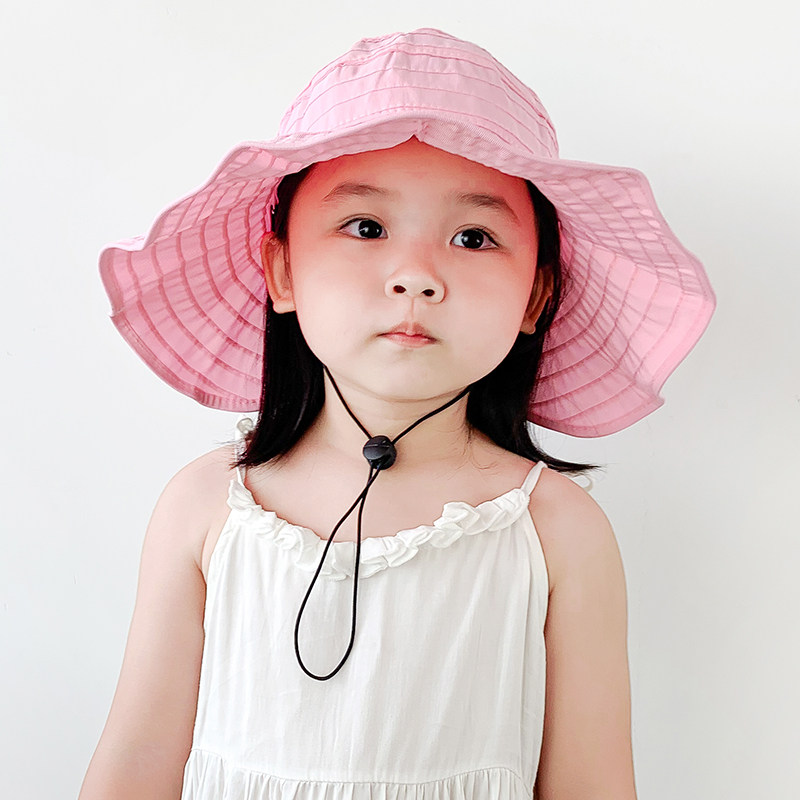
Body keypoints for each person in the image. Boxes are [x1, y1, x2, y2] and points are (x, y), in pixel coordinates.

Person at [79, 28, 715, 800]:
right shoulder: (206, 505)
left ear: (537, 296)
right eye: (367, 227)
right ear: (281, 269)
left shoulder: (555, 530)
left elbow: (593, 784)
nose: (416, 275)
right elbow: (133, 770)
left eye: (473, 237)